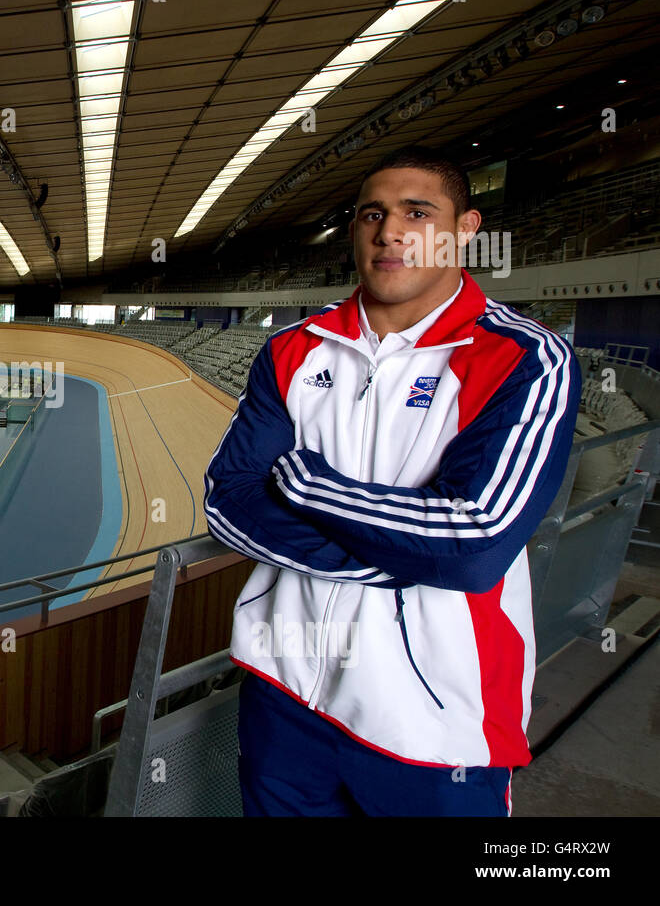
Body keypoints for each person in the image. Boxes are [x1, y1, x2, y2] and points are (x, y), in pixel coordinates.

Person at [204, 145, 581, 817]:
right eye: (371, 214)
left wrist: (308, 487)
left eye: (418, 211)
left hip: (433, 721)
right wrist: (405, 558)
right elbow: (228, 503)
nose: (391, 231)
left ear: (466, 230)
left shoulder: (523, 356)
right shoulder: (293, 348)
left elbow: (473, 541)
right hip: (284, 691)